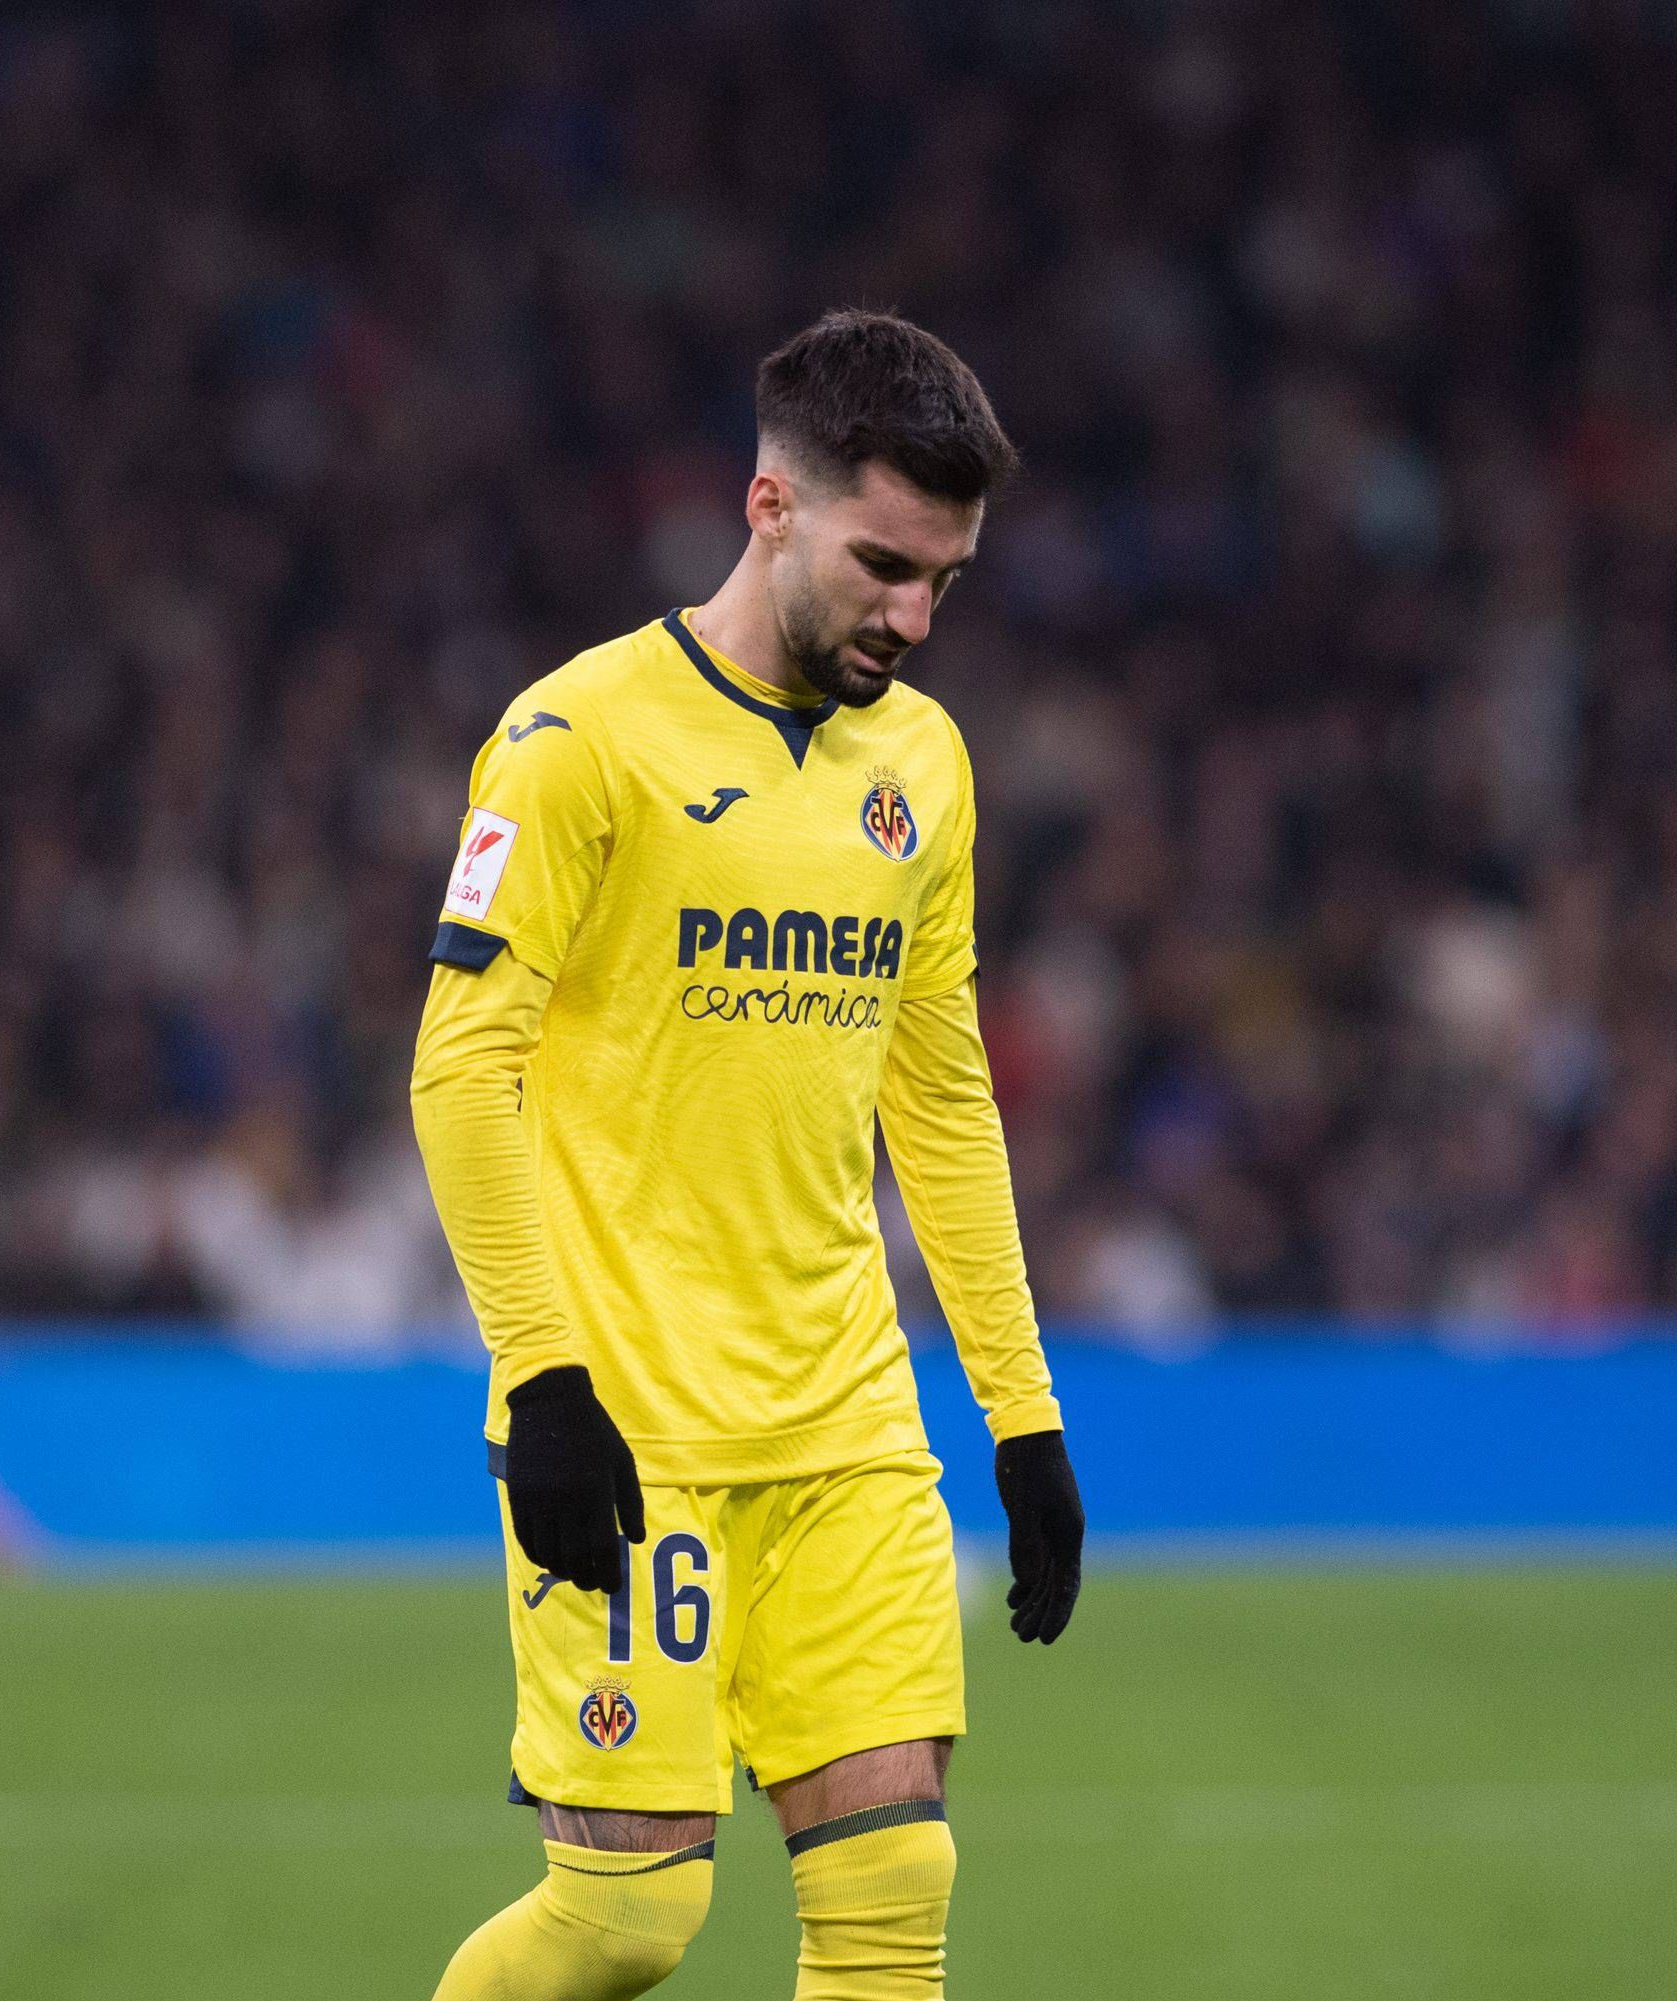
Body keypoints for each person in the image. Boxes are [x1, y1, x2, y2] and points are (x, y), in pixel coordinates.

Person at [409, 309, 1086, 2001]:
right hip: (632, 1422)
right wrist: (543, 1380)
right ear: (769, 506)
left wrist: (1021, 1415)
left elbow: (942, 1099)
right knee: (625, 1919)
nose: (913, 619)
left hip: (848, 1422)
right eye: (884, 566)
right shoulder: (576, 740)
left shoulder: (923, 763)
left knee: (894, 1894)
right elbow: (458, 1069)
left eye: (945, 582)